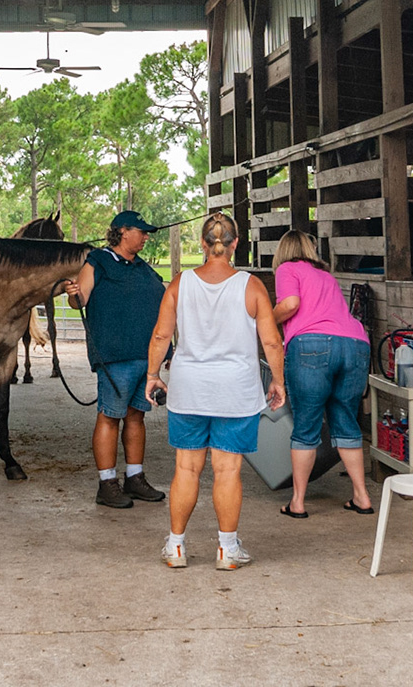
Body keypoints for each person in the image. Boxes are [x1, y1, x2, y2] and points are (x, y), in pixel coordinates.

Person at [145, 212, 286, 570]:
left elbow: (162, 335)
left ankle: (176, 547)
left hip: (190, 389)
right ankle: (227, 550)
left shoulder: (181, 284)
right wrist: (278, 380)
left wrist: (152, 374)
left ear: (203, 245)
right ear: (236, 244)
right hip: (235, 391)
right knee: (227, 471)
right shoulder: (251, 286)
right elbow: (271, 341)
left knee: (187, 469)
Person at [63, 210, 167, 509]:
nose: (146, 237)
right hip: (115, 355)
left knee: (137, 416)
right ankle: (107, 484)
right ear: (123, 231)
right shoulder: (99, 261)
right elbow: (79, 297)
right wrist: (72, 294)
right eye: (142, 232)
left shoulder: (143, 268)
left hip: (145, 357)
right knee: (110, 416)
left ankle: (134, 478)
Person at [271, 230, 375, 518]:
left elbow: (291, 304)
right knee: (346, 420)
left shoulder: (286, 268)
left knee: (306, 425)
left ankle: (298, 503)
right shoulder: (326, 276)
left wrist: (266, 319)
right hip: (355, 345)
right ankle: (362, 497)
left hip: (312, 345)